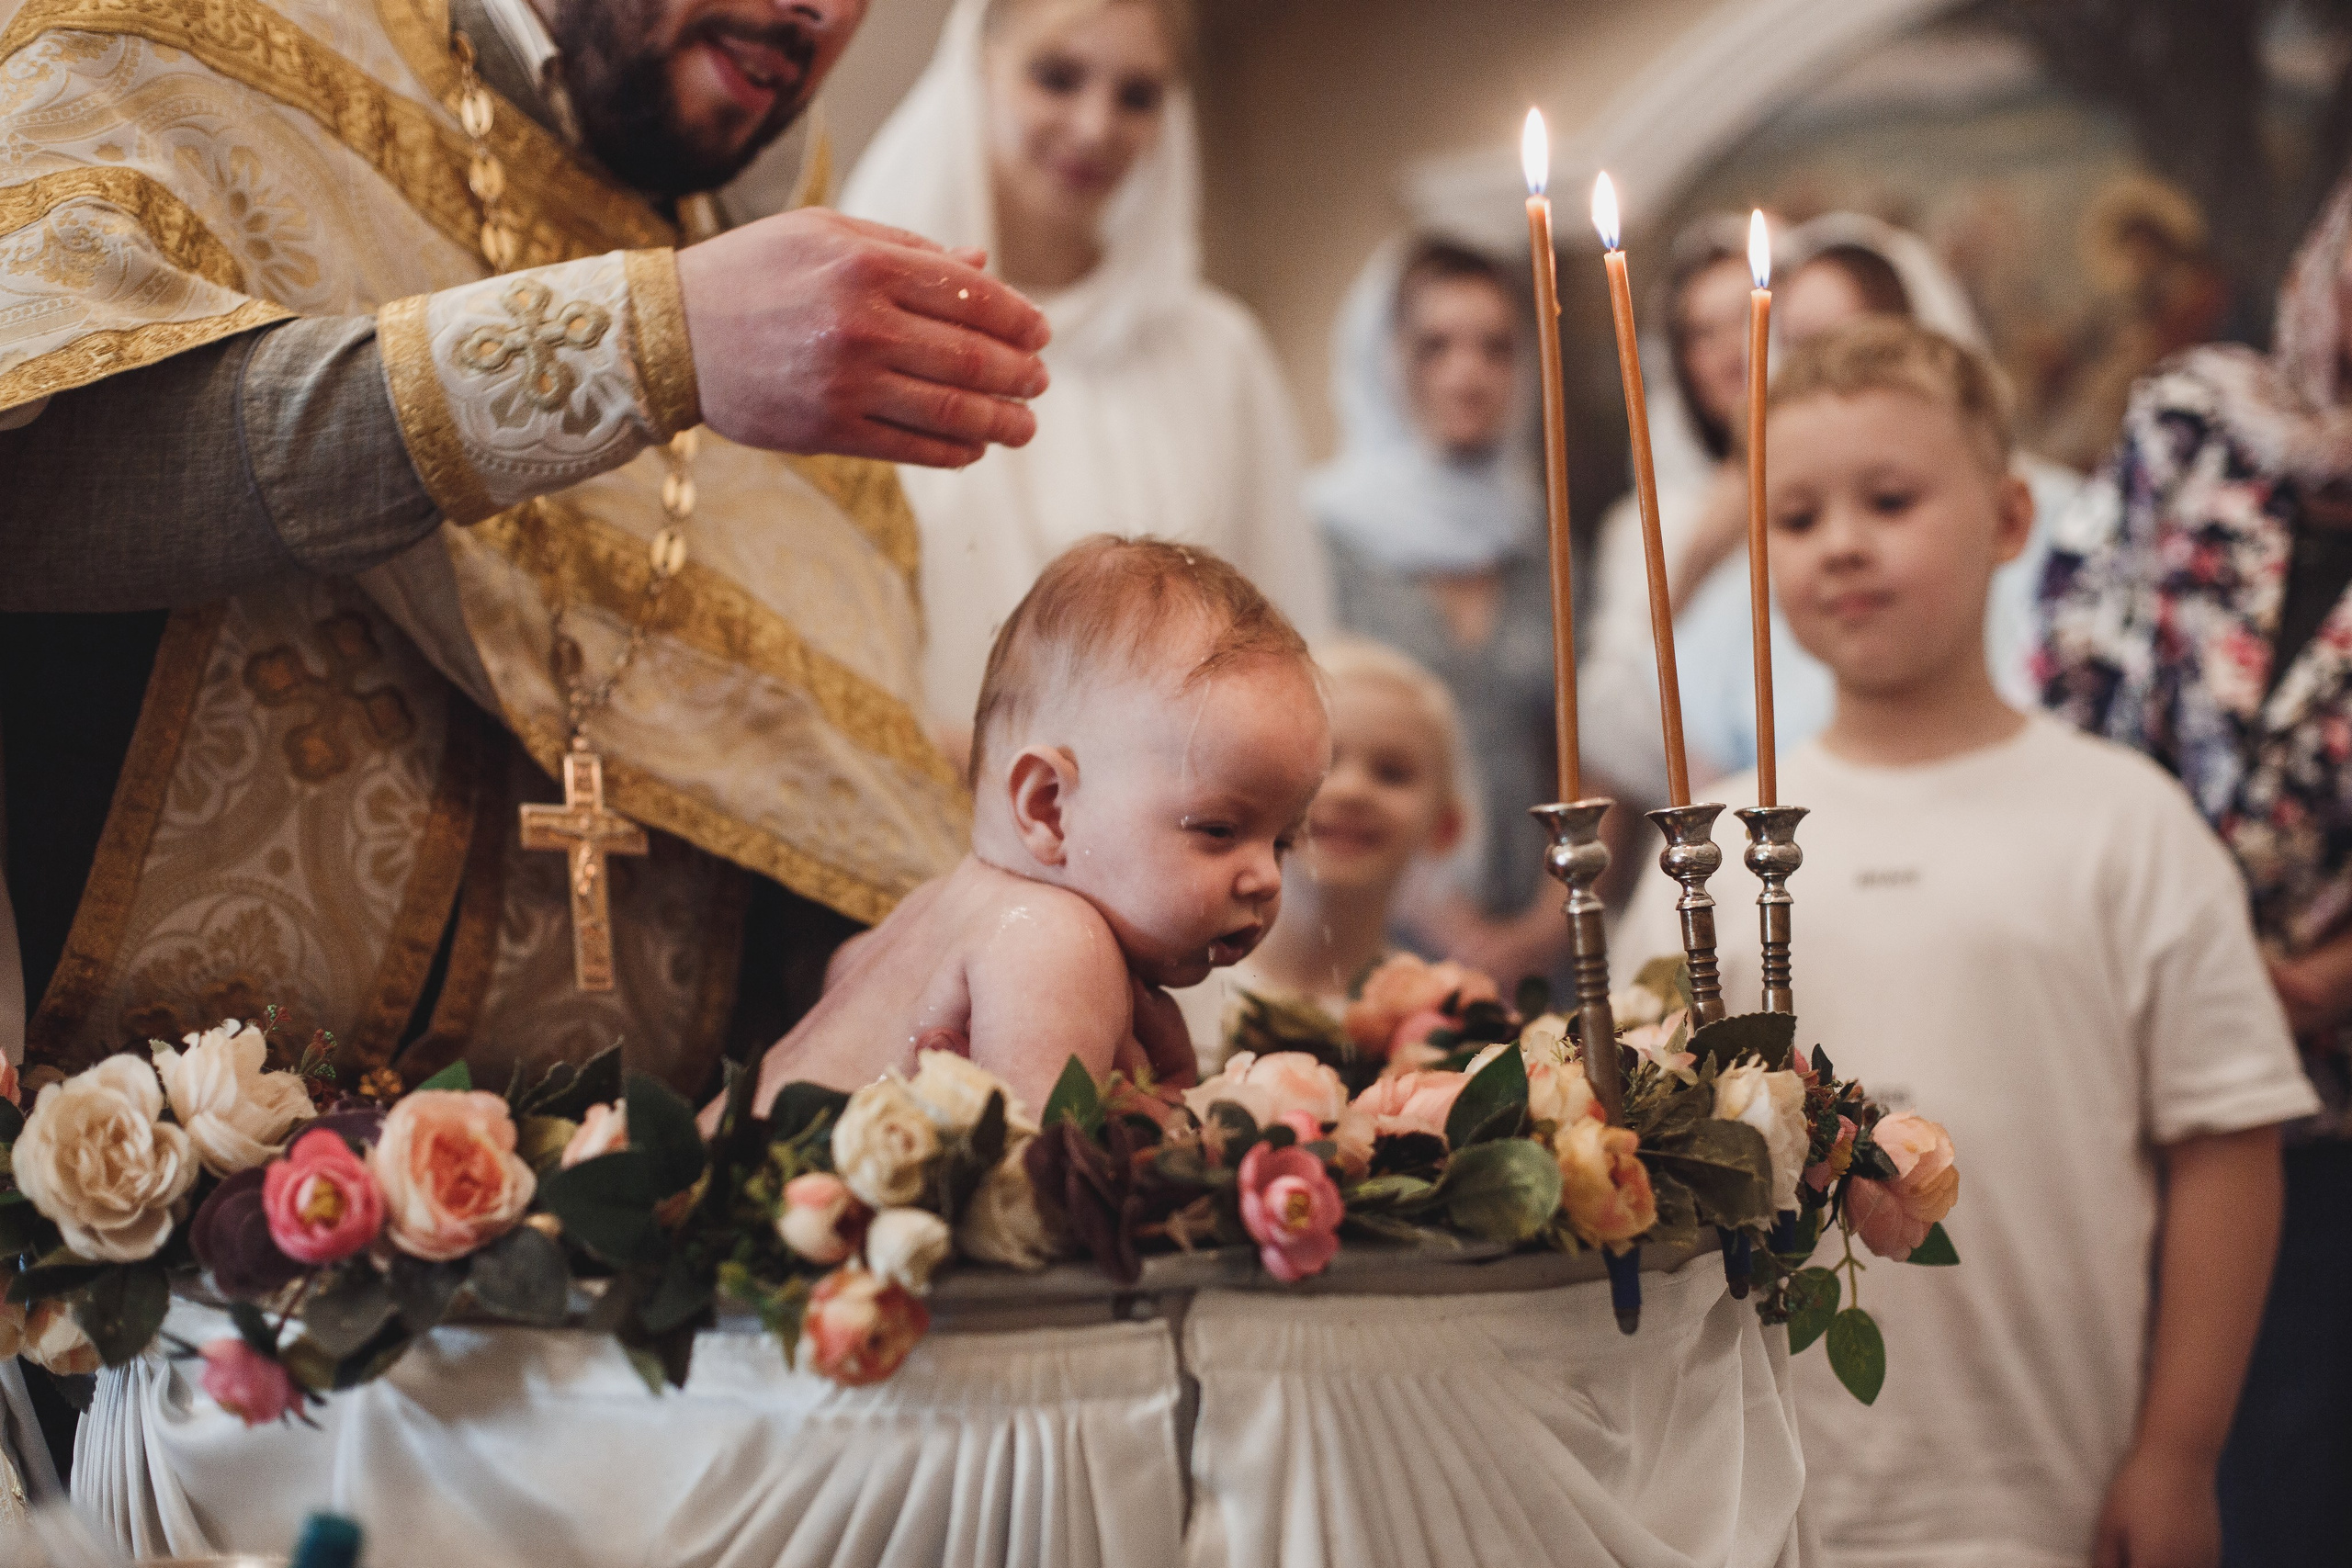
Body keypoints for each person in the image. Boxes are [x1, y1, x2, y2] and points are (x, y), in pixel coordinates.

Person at [0, 0, 1056, 1103]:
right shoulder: (185, 26)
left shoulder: (806, 299)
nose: (820, 12)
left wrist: (984, 951)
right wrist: (643, 343)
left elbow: (798, 828)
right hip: (114, 1203)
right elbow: (41, 493)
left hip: (603, 1238)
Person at [1621, 319, 2318, 1568]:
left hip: (2050, 1480)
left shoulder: (2125, 820)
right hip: (1765, 1494)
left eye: (1889, 499)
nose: (1841, 541)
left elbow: (2226, 1138)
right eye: (1796, 515)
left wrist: (2179, 1452)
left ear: (2006, 520)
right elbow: (1641, 1142)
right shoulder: (1707, 843)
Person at [2041, 168, 2352, 1568]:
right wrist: (2180, 939)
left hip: (2341, 1083)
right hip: (2147, 1053)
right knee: (2149, 1473)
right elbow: (2074, 656)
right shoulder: (2193, 424)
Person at [840, 0, 1331, 744]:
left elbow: (1287, 637)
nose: (1097, 127)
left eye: (1137, 96)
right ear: (979, 69)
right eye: (1057, 77)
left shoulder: (1219, 354)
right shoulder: (876, 329)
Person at [753, 536, 1325, 1114]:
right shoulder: (1056, 936)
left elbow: (844, 966)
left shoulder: (932, 907)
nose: (1265, 879)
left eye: (1281, 842)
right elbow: (1032, 1184)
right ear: (1049, 807)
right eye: (1219, 830)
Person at [1310, 237, 1559, 988]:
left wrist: (1538, 931)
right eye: (1435, 346)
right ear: (1385, 361)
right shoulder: (1324, 534)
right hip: (1371, 931)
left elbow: (1580, 749)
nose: (1468, 373)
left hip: (1541, 942)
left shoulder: (1540, 539)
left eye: (1495, 348)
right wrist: (1450, 928)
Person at [1170, 637, 1468, 1062]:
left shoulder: (1445, 1025)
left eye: (1393, 774)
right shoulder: (1175, 992)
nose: (1352, 790)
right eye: (1322, 764)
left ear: (1445, 827)